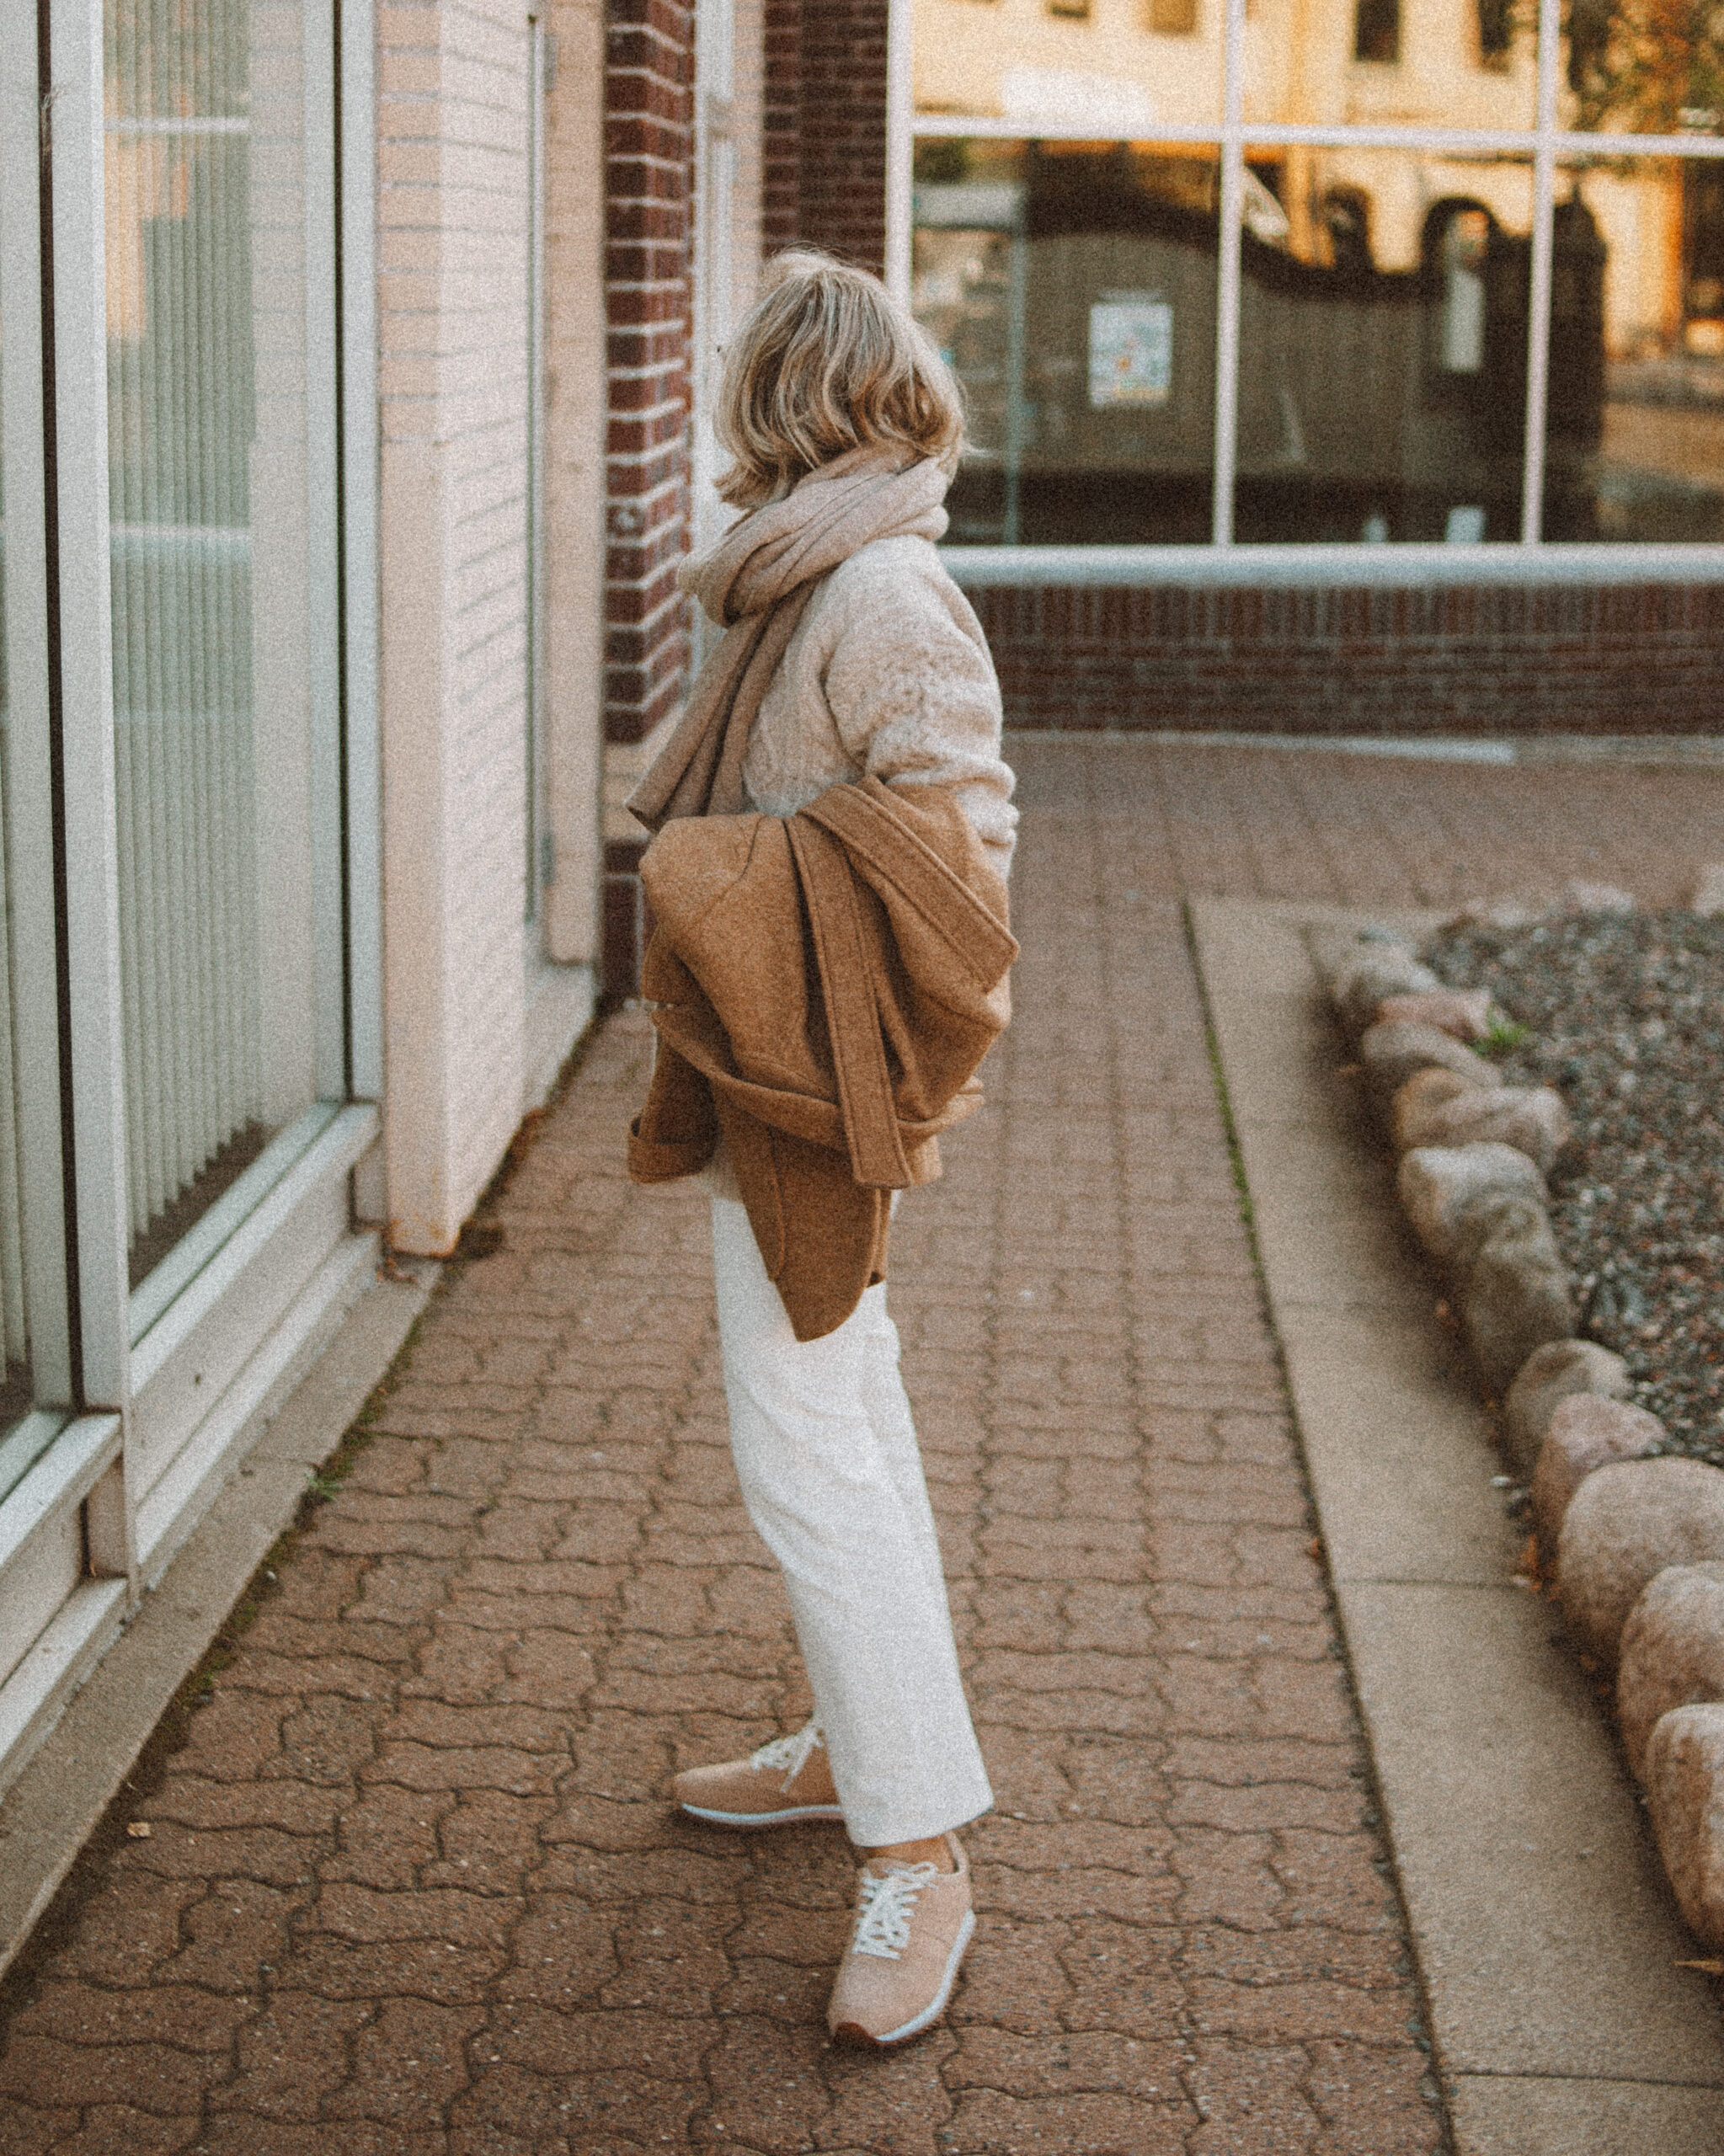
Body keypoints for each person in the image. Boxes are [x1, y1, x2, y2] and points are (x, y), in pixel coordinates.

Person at [626, 249, 1018, 2048]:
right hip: (776, 1054)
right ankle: (860, 1739)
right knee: (845, 1411)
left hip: (821, 1074)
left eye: (737, 376)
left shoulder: (878, 589)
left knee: (806, 1446)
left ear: (783, 398)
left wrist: (759, 898)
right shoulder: (800, 574)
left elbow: (959, 865)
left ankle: (919, 1851)